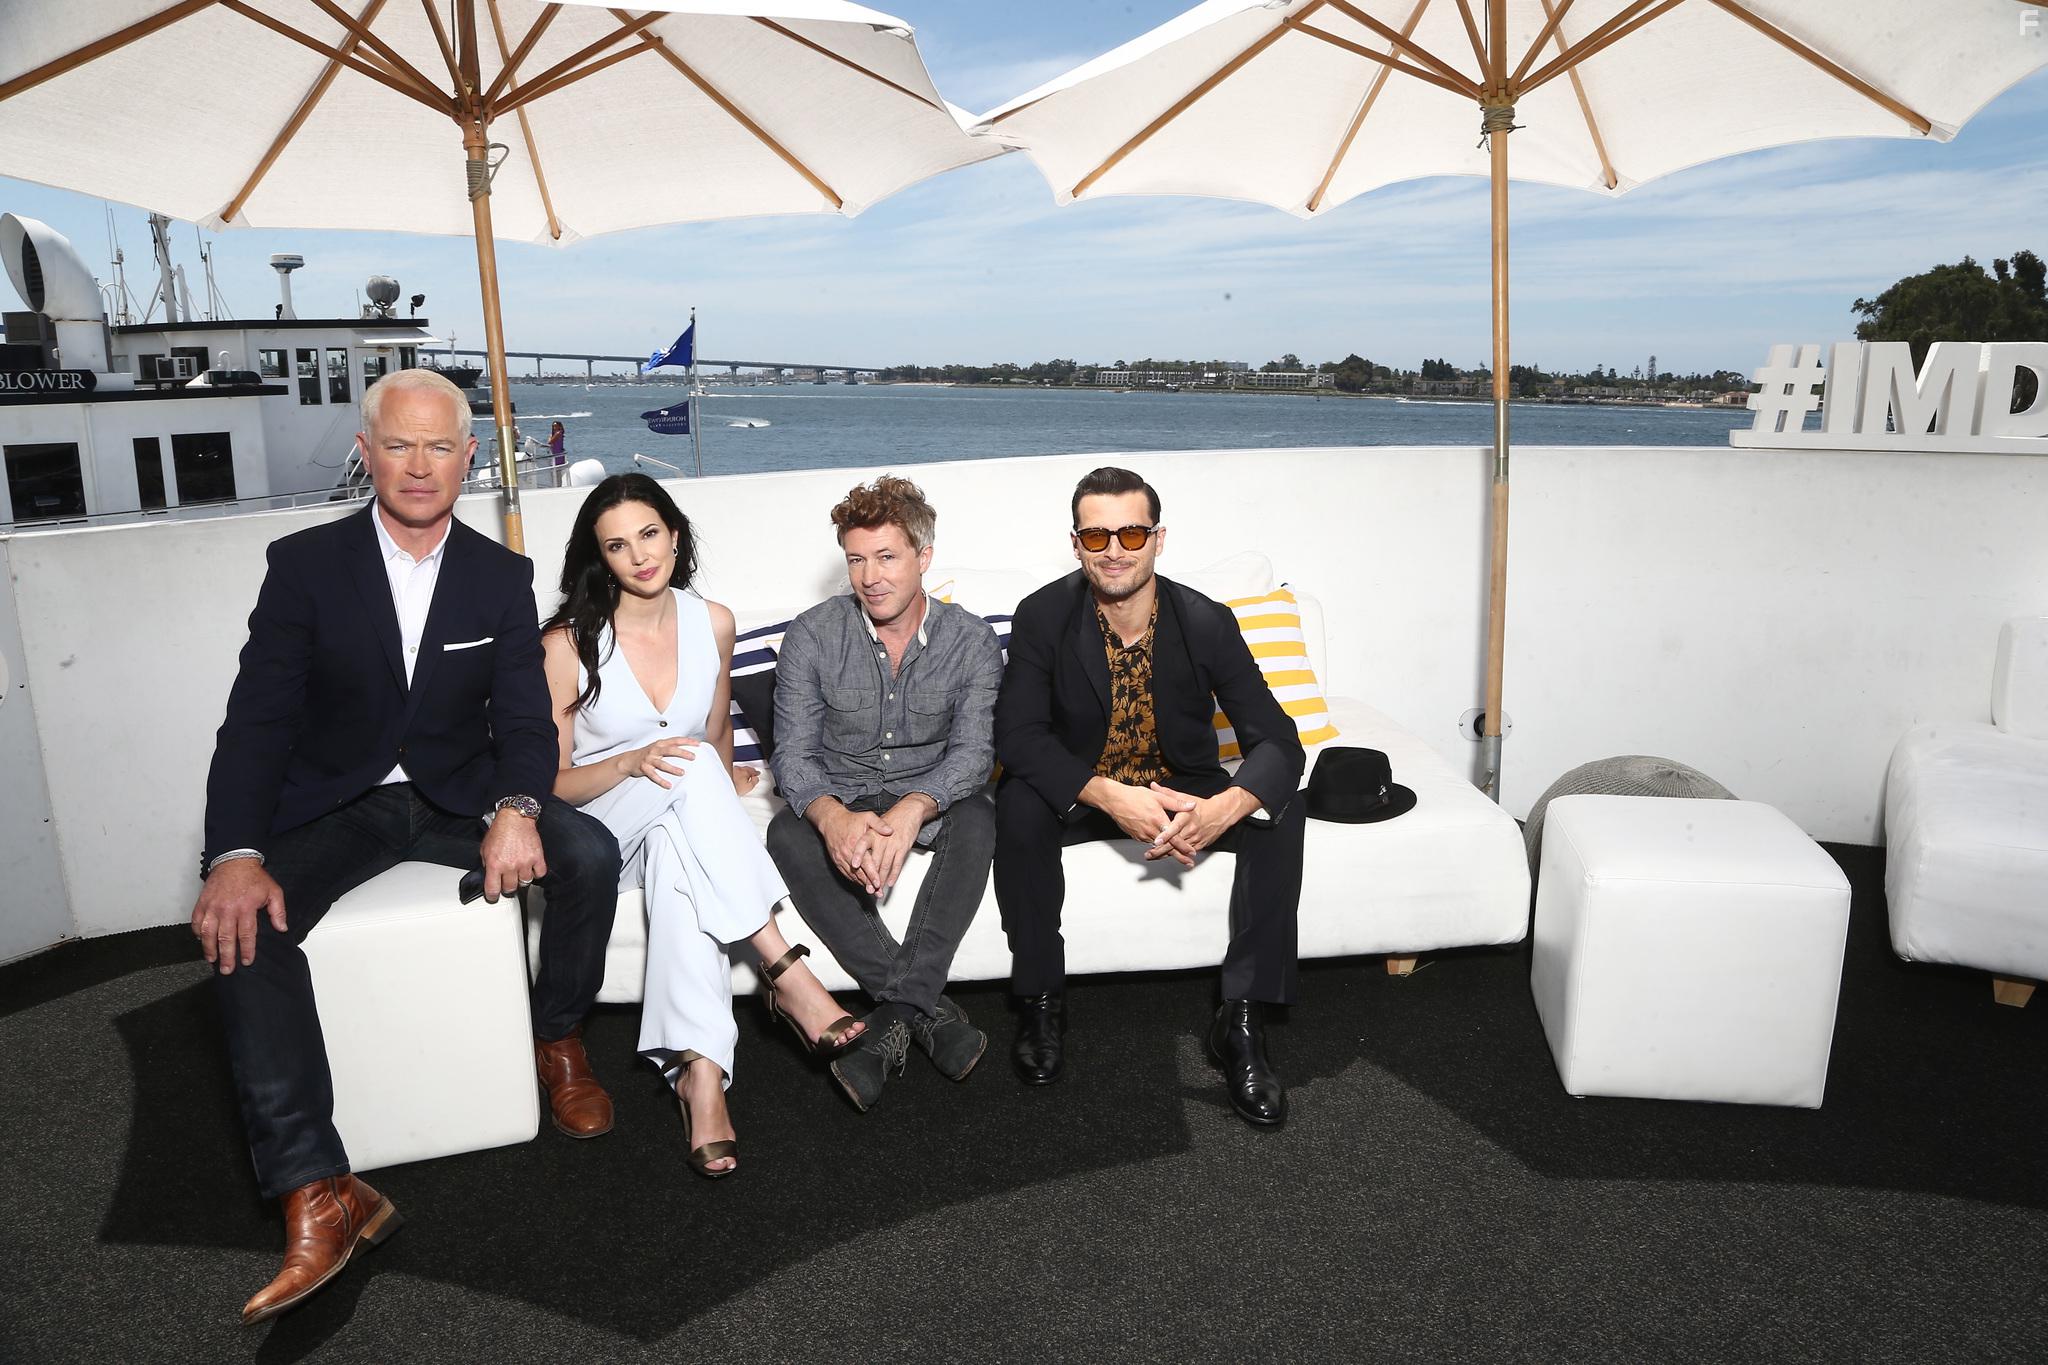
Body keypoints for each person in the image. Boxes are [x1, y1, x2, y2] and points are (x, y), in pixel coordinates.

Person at [190, 368, 623, 1326]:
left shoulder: (499, 575)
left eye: (440, 447)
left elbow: (522, 716)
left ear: (470, 458)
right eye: (399, 444)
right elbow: (256, 723)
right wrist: (233, 852)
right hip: (336, 802)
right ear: (365, 450)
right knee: (241, 923)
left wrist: (517, 803)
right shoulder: (303, 565)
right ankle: (319, 1190)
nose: (420, 466)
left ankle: (557, 1036)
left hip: (458, 797)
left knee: (587, 853)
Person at [540, 474, 866, 1177]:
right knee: (684, 775)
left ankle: (702, 1076)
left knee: (678, 850)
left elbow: (714, 732)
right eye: (618, 544)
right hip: (600, 826)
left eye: (650, 534)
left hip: (668, 814)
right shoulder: (568, 643)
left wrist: (720, 780)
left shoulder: (711, 621)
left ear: (676, 534)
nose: (640, 555)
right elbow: (551, 784)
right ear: (601, 558)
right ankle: (784, 968)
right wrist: (632, 763)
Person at [993, 466, 1307, 1127]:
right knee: (1020, 801)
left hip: (1181, 784)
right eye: (1096, 534)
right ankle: (1042, 1001)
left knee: (1279, 806)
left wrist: (1225, 806)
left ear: (1158, 539)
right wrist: (1105, 792)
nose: (1114, 549)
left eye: (1131, 532)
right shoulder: (1042, 616)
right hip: (1087, 787)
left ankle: (1242, 1022)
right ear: (1076, 542)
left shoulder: (1206, 622)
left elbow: (1278, 739)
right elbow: (1017, 736)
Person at [765, 476, 1003, 1112]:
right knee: (786, 831)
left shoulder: (973, 640)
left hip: (924, 795)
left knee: (978, 815)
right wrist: (832, 817)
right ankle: (929, 1014)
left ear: (924, 558)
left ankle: (892, 1018)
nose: (869, 577)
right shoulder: (812, 636)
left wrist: (912, 808)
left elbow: (975, 755)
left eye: (886, 557)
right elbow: (791, 754)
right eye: (855, 559)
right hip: (842, 788)